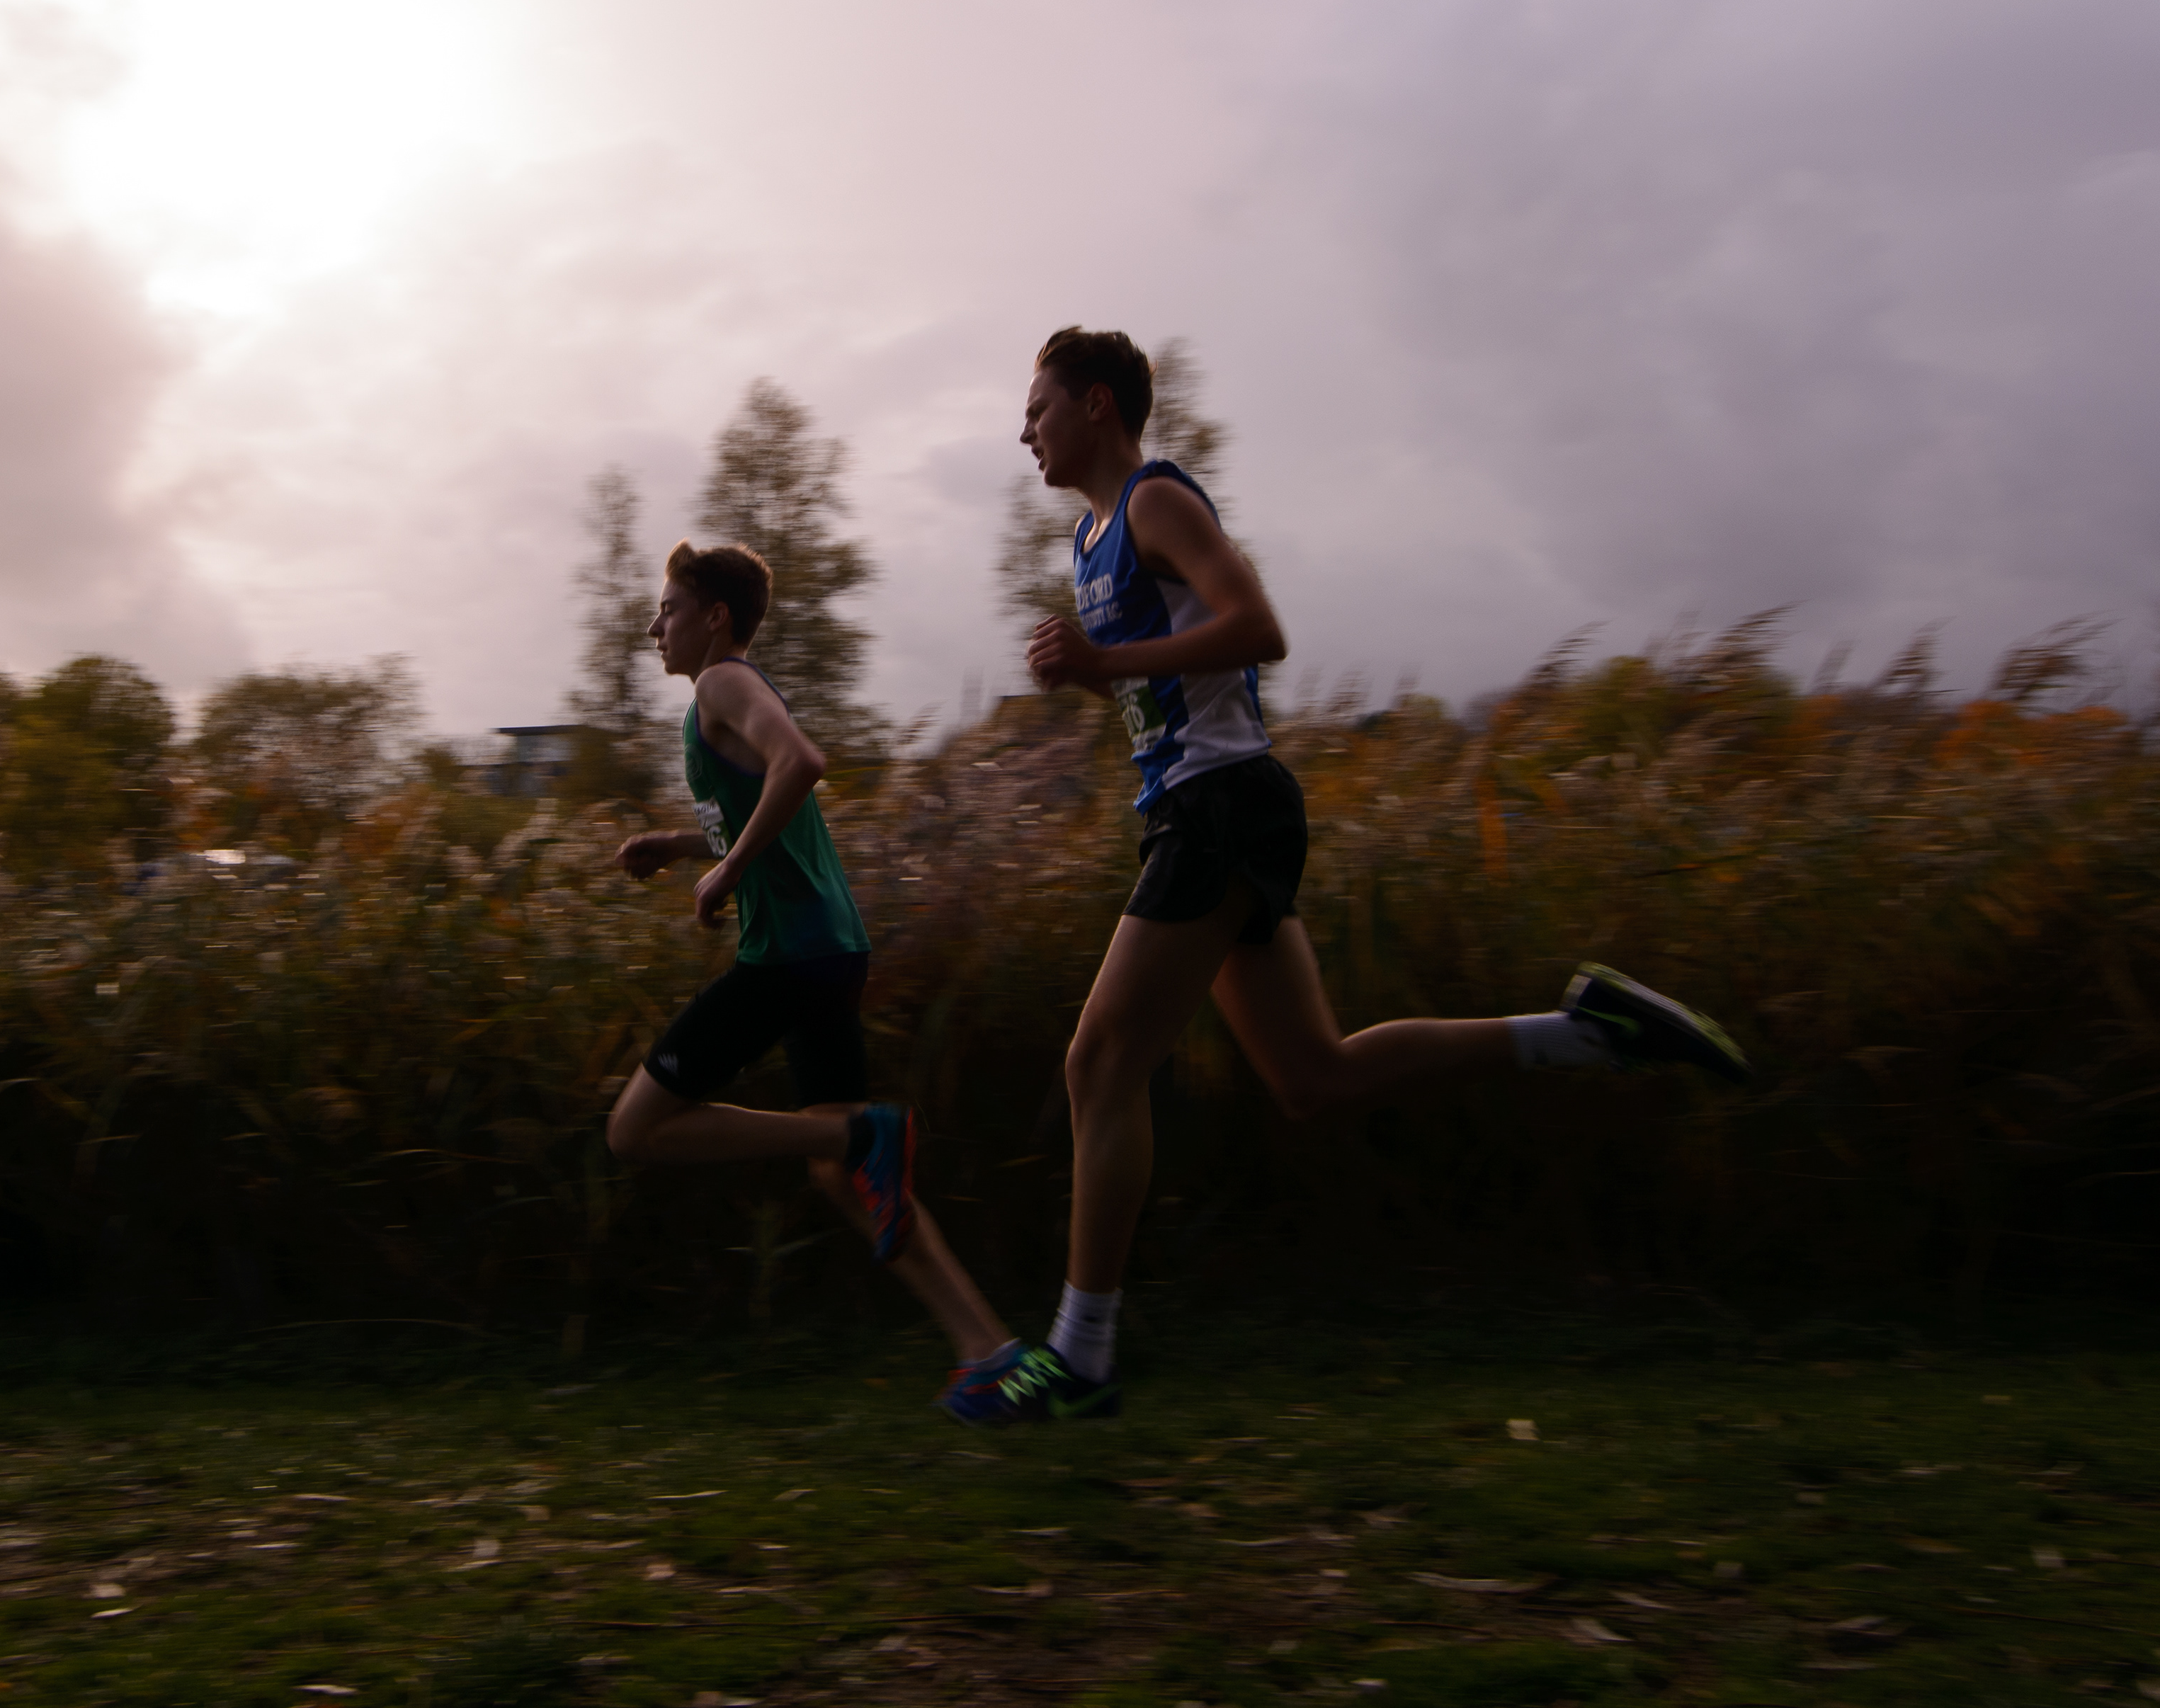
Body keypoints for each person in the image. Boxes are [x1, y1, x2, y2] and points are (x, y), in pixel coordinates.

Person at [942, 328, 1750, 1426]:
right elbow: (1175, 686)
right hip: (1203, 805)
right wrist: (1094, 680)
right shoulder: (1091, 541)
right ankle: (1588, 1033)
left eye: (1037, 407)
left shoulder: (1153, 502)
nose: (1023, 430)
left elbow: (1259, 630)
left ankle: (1081, 1359)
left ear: (1095, 404)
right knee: (1312, 1078)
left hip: (1221, 807)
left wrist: (1105, 661)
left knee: (1098, 1065)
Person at [610, 540, 1017, 1385]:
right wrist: (686, 845)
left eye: (669, 609)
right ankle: (987, 1348)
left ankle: (858, 1132)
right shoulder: (729, 695)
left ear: (715, 617)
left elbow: (803, 764)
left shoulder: (724, 683)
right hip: (829, 951)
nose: (655, 626)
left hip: (789, 957)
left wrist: (729, 868)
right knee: (848, 1179)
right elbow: (773, 810)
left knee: (636, 1129)